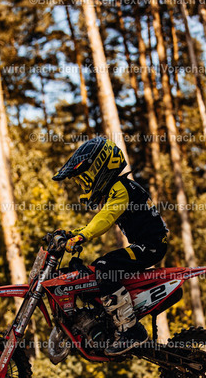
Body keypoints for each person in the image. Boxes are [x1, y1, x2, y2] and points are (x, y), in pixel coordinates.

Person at [52, 137, 168, 356]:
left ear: (100, 168)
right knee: (98, 268)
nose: (84, 185)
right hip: (146, 245)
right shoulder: (119, 188)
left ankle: (131, 330)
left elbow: (105, 218)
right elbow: (101, 219)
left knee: (105, 269)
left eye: (85, 178)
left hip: (150, 246)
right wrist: (74, 234)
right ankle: (111, 321)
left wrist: (82, 236)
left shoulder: (121, 188)